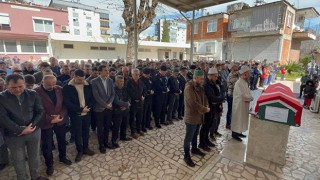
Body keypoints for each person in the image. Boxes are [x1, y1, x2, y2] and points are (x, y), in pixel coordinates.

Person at [0, 74, 47, 180]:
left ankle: (35, 176)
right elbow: (3, 118)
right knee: (18, 159)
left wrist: (31, 126)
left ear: (24, 84)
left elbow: (40, 111)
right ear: (6, 85)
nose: (17, 89)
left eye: (20, 86)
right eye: (13, 87)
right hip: (13, 134)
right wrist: (20, 130)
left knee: (34, 156)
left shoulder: (33, 94)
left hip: (33, 131)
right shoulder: (1, 98)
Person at [35, 75, 72, 176]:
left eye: (53, 84)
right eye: (48, 84)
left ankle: (63, 157)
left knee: (62, 140)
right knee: (47, 145)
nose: (51, 86)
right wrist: (50, 118)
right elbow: (37, 110)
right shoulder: (36, 92)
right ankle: (49, 165)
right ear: (42, 82)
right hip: (45, 122)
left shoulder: (60, 89)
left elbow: (64, 104)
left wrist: (61, 115)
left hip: (60, 120)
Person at [63, 69, 95, 162]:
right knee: (77, 133)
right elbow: (67, 103)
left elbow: (92, 98)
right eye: (79, 80)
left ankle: (86, 148)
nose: (81, 81)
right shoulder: (67, 87)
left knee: (86, 132)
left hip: (87, 113)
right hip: (75, 114)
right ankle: (80, 150)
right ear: (74, 76)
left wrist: (88, 108)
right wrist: (81, 109)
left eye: (83, 79)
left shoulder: (88, 85)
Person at [183, 69, 210, 167]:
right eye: (201, 78)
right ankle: (186, 156)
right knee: (188, 138)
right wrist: (205, 109)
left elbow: (204, 98)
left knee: (195, 134)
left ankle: (194, 149)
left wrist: (206, 106)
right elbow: (192, 104)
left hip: (199, 116)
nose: (203, 80)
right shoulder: (189, 88)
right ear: (195, 78)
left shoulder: (200, 86)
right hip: (191, 117)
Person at [91, 65, 115, 153]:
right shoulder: (94, 81)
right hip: (99, 109)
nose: (107, 71)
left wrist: (110, 103)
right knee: (100, 128)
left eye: (107, 70)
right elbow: (96, 96)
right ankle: (101, 145)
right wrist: (105, 105)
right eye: (105, 70)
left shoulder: (110, 80)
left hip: (108, 107)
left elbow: (113, 93)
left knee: (107, 126)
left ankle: (106, 142)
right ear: (100, 71)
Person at [199, 68, 223, 151]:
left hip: (213, 108)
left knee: (209, 125)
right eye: (215, 76)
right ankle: (202, 143)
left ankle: (206, 140)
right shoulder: (206, 84)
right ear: (210, 75)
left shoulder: (213, 83)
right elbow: (212, 98)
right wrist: (220, 98)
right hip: (207, 108)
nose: (216, 78)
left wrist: (218, 99)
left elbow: (217, 94)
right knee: (205, 126)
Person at [231, 65, 254, 141]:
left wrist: (250, 96)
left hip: (244, 104)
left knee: (242, 119)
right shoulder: (238, 83)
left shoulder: (244, 82)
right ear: (244, 73)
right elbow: (242, 95)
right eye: (248, 72)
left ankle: (239, 132)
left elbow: (248, 92)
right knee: (238, 119)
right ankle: (234, 134)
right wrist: (250, 98)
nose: (249, 74)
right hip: (239, 105)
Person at [113, 75, 132, 142]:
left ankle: (123, 136)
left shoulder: (124, 88)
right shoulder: (113, 89)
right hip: (118, 110)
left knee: (125, 124)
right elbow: (116, 101)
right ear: (116, 82)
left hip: (125, 110)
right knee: (116, 126)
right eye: (120, 81)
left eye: (123, 81)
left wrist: (127, 105)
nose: (122, 83)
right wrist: (126, 104)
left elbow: (129, 97)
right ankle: (114, 140)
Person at [126, 69, 145, 138]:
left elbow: (144, 89)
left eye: (138, 74)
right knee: (132, 117)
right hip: (133, 102)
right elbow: (130, 93)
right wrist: (139, 97)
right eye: (136, 75)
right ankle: (133, 132)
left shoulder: (140, 81)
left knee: (139, 117)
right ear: (132, 75)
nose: (137, 76)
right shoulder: (129, 82)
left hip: (140, 102)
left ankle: (138, 129)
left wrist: (143, 95)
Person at [226, 63, 239, 130]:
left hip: (235, 95)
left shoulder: (236, 75)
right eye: (235, 66)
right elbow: (236, 85)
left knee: (233, 110)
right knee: (230, 110)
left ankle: (231, 122)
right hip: (231, 95)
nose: (236, 67)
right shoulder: (231, 76)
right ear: (231, 68)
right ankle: (228, 124)